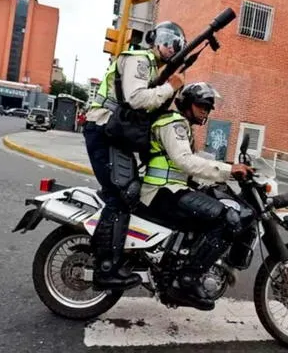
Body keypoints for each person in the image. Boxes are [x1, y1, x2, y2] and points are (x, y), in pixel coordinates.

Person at [83, 21, 187, 291]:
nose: (169, 46)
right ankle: (106, 269)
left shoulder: (151, 66)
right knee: (119, 197)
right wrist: (170, 86)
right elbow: (136, 99)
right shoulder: (139, 59)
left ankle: (109, 254)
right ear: (153, 39)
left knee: (128, 193)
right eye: (166, 40)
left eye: (175, 44)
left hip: (112, 133)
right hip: (102, 127)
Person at [140, 82, 254, 310]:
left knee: (213, 206)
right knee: (226, 219)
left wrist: (223, 174)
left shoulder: (182, 126)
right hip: (162, 193)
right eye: (202, 105)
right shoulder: (174, 124)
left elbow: (185, 167)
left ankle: (181, 265)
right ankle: (188, 279)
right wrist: (228, 170)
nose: (206, 111)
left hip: (170, 190)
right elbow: (185, 161)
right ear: (187, 104)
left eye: (209, 107)